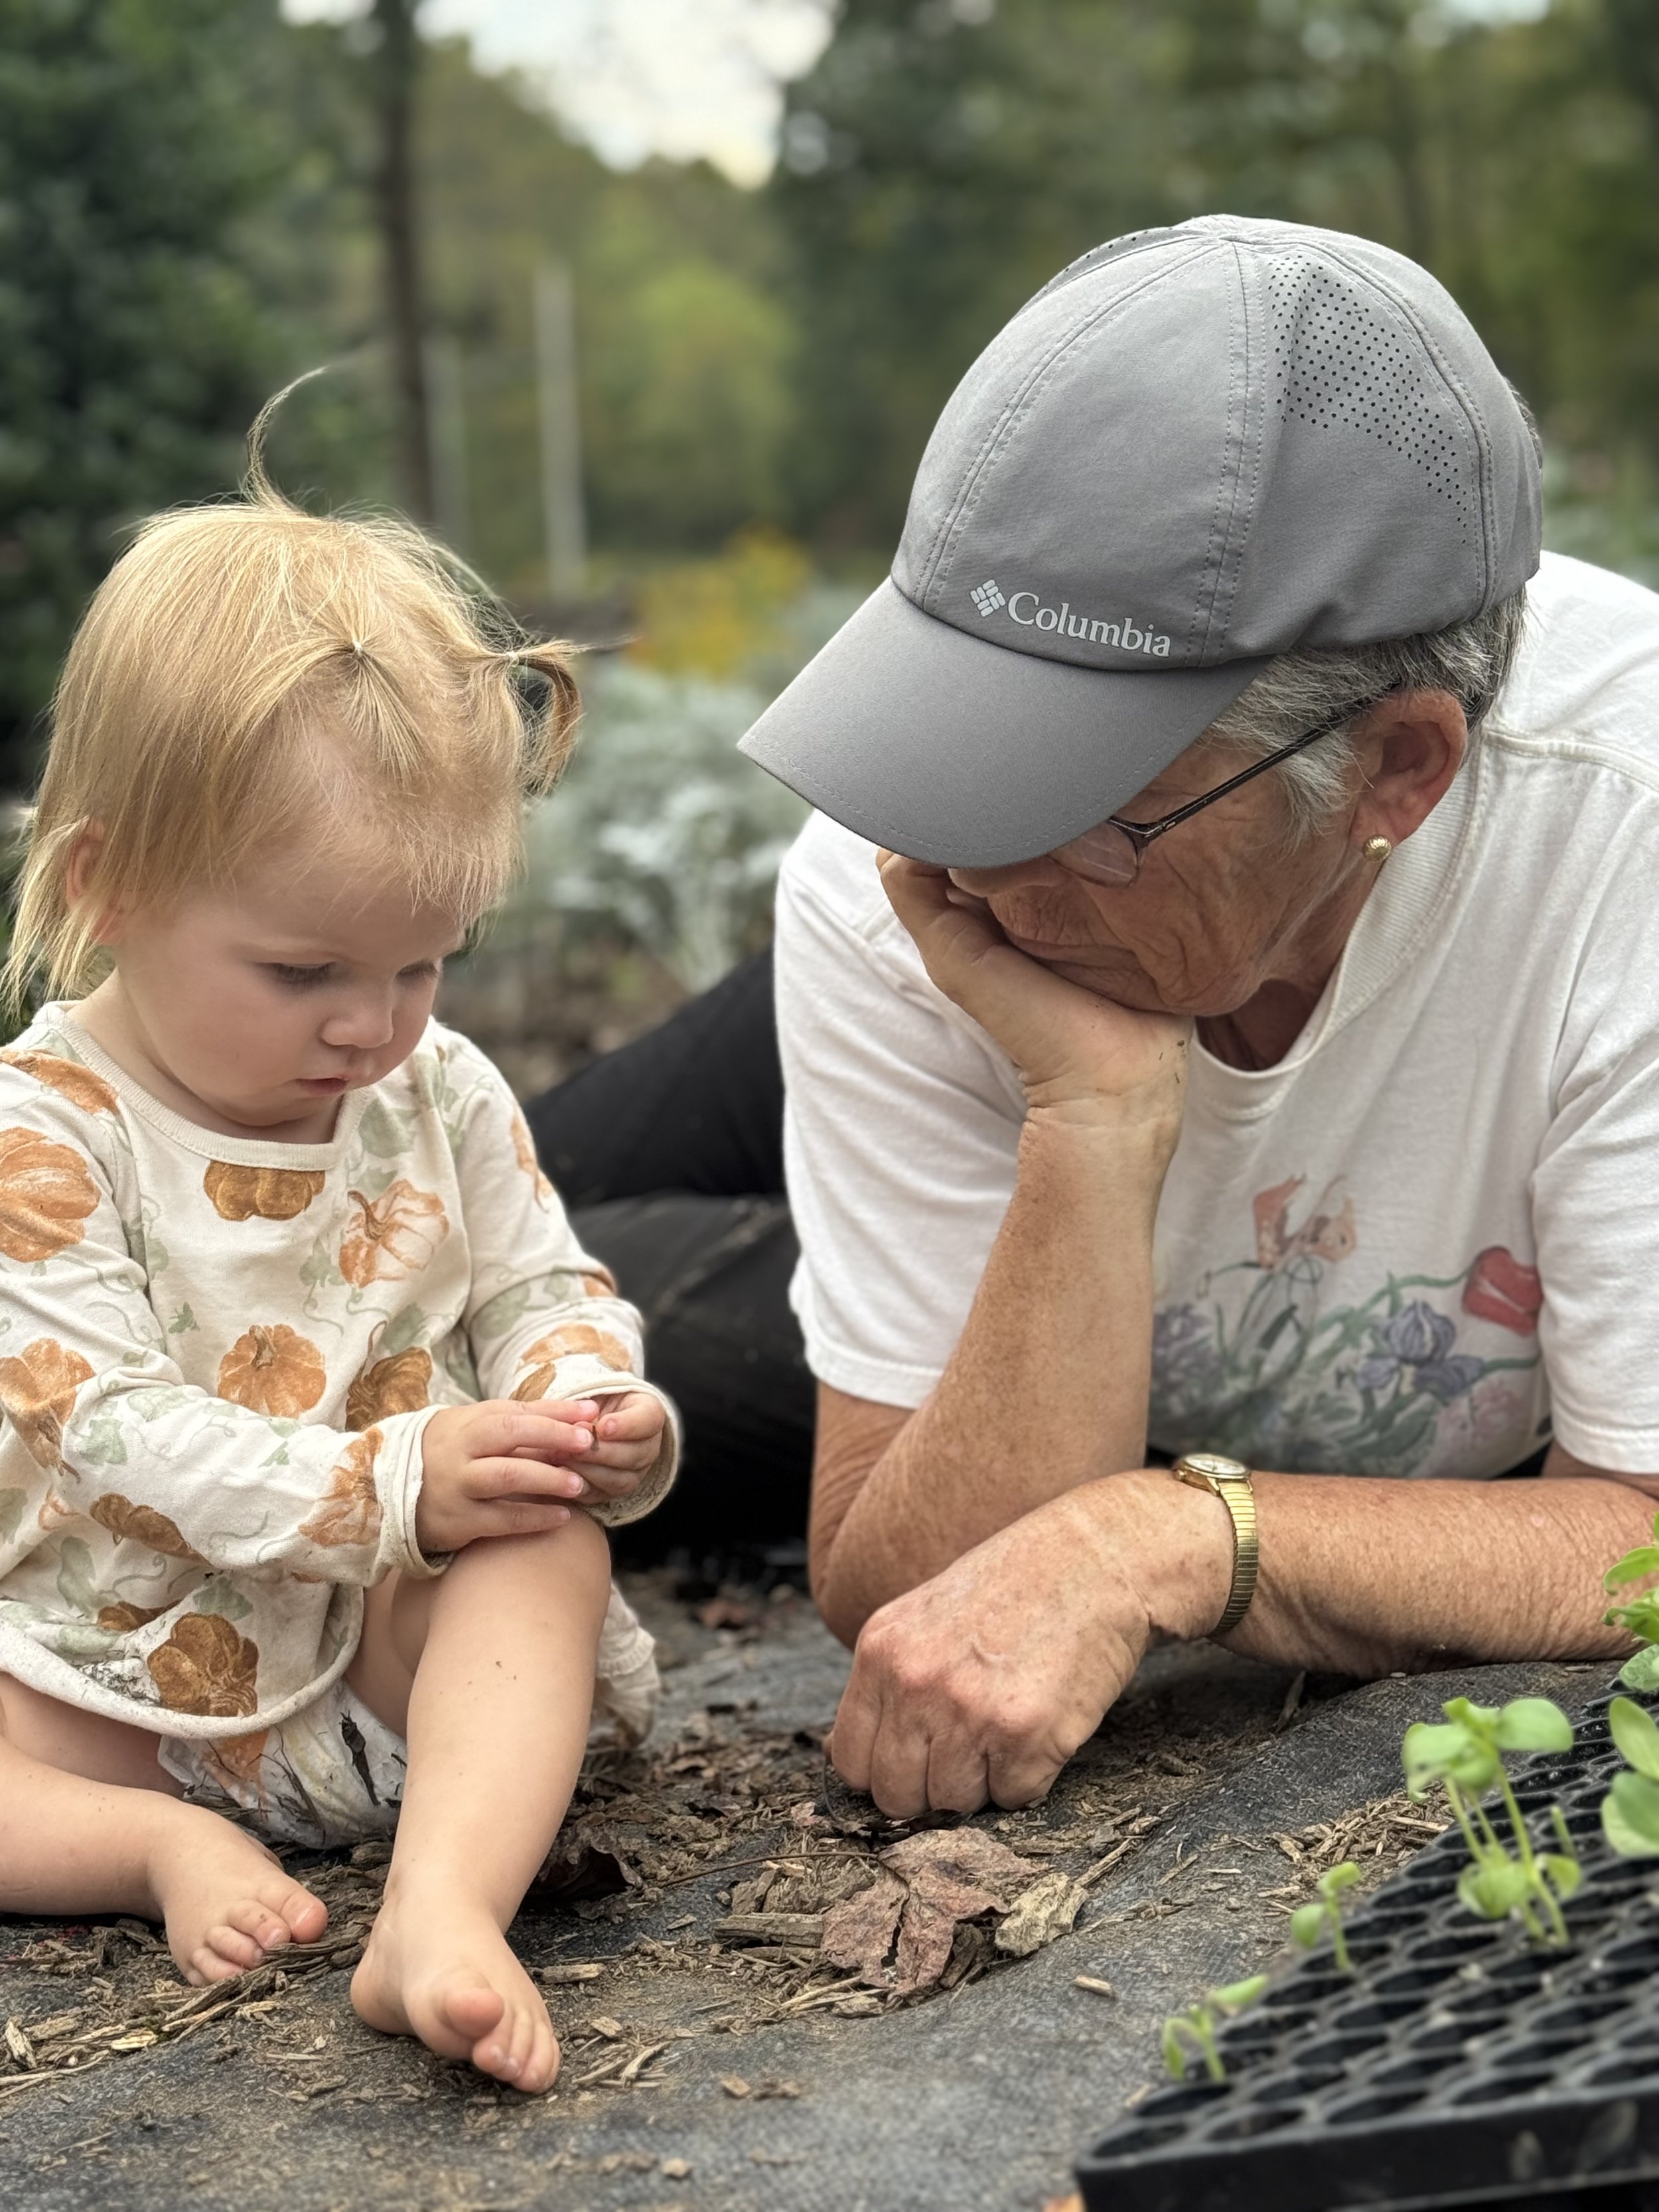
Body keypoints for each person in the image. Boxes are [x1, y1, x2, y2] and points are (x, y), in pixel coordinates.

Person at [725, 214, 1659, 1819]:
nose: (978, 869)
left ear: (1397, 771)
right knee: (519, 1245)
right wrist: (1084, 1125)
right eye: (958, 746)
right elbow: (906, 1585)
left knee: (688, 1338)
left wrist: (1163, 1533)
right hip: (962, 1056)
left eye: (1098, 806)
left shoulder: (1616, 838)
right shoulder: (908, 886)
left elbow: (1633, 1525)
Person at [0, 433, 676, 2095]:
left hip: (371, 1668)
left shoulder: (429, 1089)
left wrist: (584, 1398)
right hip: (95, 1671)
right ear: (109, 886)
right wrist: (390, 1477)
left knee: (544, 1548)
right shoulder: (44, 1130)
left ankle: (438, 1905)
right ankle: (142, 1849)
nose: (371, 1023)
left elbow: (534, 1282)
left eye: (424, 964)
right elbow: (107, 1431)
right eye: (304, 967)